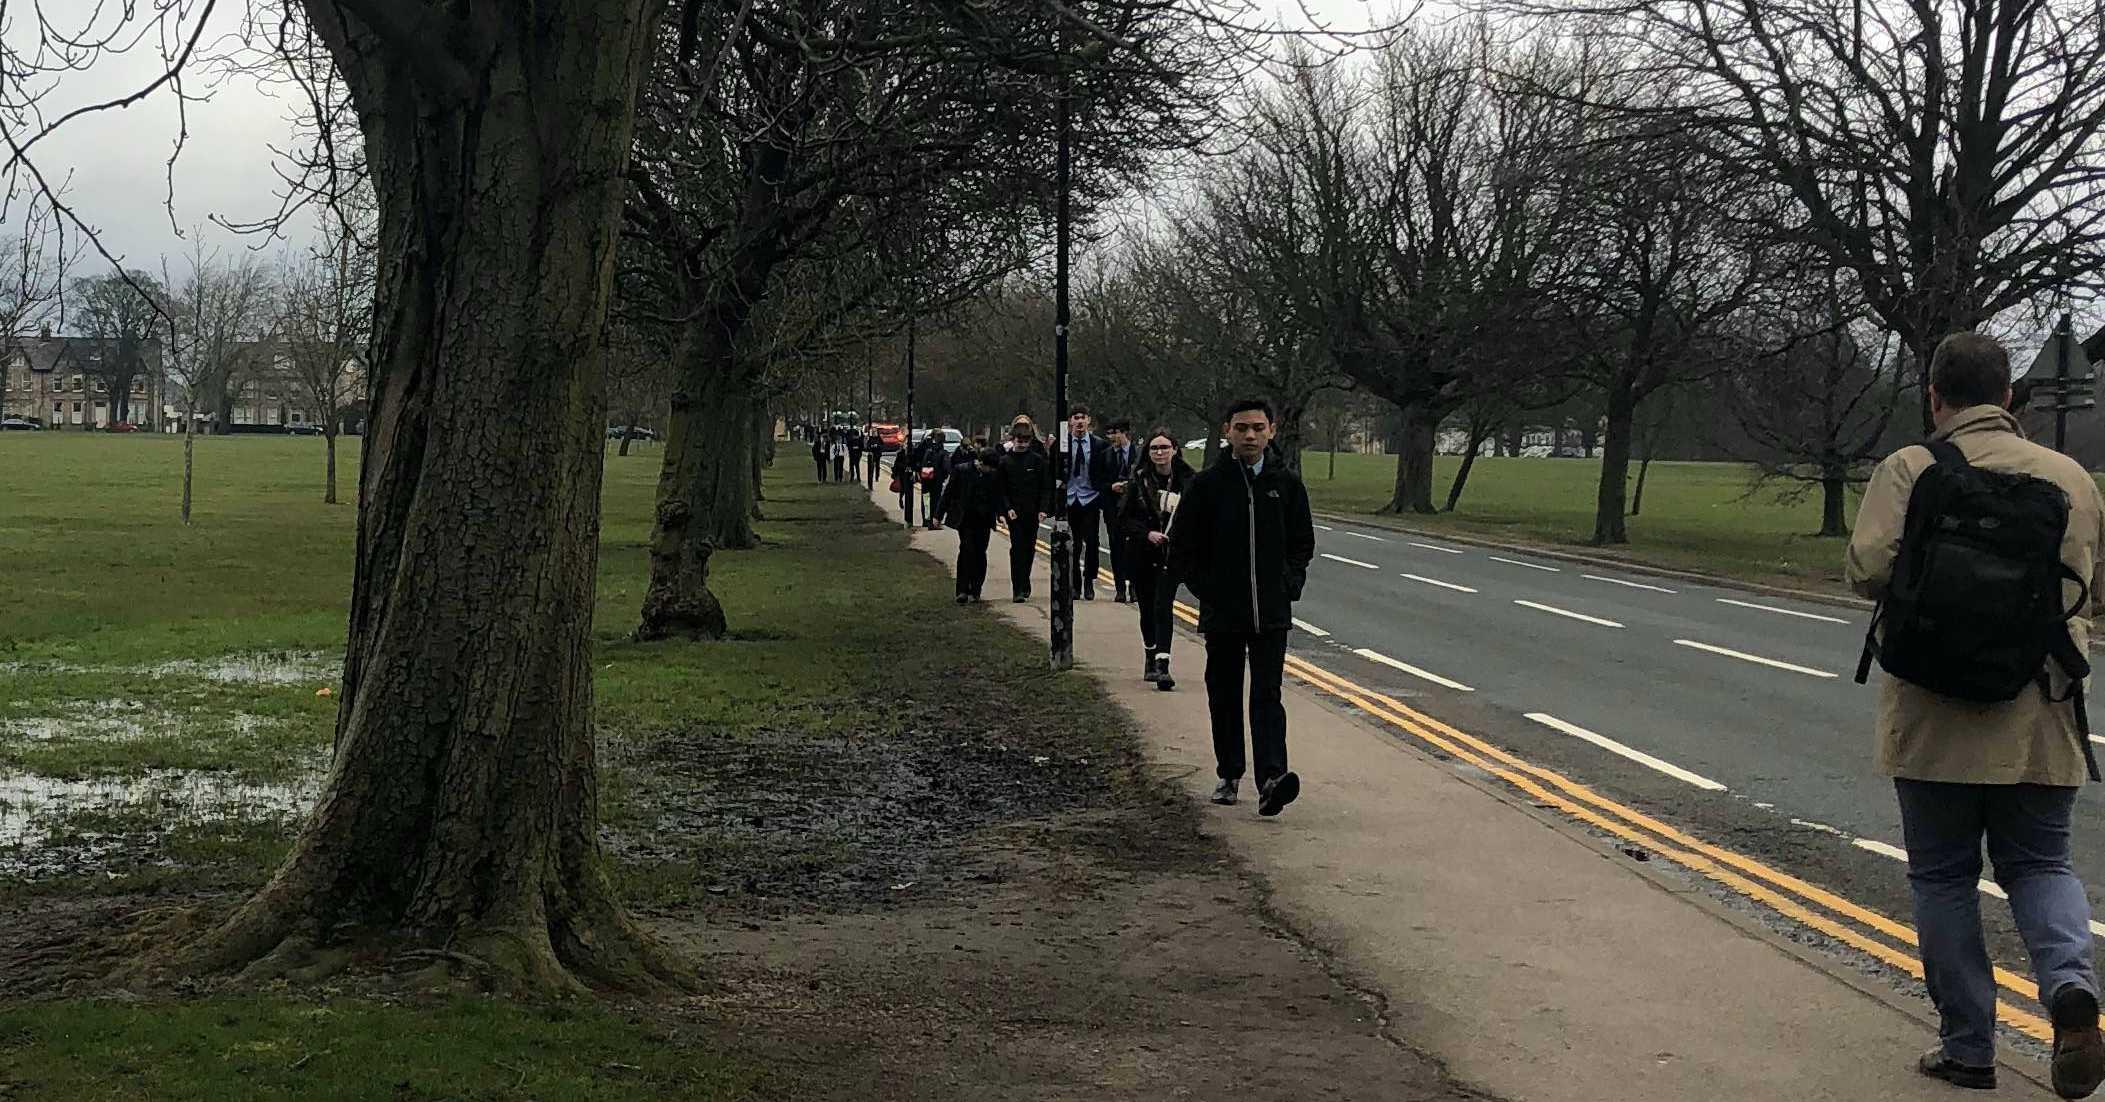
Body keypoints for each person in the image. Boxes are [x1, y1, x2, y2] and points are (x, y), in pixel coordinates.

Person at [1846, 332, 2105, 1099]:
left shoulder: (1908, 469)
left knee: (1942, 877)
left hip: (1930, 712)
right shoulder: (2071, 479)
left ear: (1935, 395)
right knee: (2039, 863)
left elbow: (1867, 571)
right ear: (2010, 397)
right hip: (2038, 705)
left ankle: (1968, 1049)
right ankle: (2067, 990)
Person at [1168, 397, 1315, 818]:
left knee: (1268, 695)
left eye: (1257, 428)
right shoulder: (1208, 485)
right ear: (1226, 431)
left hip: (1270, 612)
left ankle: (1271, 779)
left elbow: (1301, 542)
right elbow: (1184, 547)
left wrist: (1291, 582)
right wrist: (1206, 590)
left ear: (1272, 430)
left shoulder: (1286, 485)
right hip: (1223, 612)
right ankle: (1229, 773)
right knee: (1225, 693)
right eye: (1241, 428)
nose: (1249, 435)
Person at [1120, 427, 1196, 690]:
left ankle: (1163, 664)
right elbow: (1124, 520)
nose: (1160, 452)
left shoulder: (1189, 481)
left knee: (1163, 606)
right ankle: (1150, 653)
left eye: (1164, 447)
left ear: (1175, 449)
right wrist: (1147, 533)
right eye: (1154, 448)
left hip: (1171, 557)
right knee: (1147, 609)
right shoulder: (1139, 481)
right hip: (1142, 554)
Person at [995, 419, 1052, 603]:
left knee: (1029, 549)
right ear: (1014, 439)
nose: (1022, 443)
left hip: (1032, 512)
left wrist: (1043, 509)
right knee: (1017, 549)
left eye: (1026, 440)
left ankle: (1024, 581)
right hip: (1014, 513)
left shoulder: (1037, 461)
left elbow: (1045, 487)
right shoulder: (1004, 462)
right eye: (1019, 440)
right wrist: (1006, 509)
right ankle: (1017, 588)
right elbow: (1000, 489)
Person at [939, 446, 1004, 603]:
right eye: (988, 467)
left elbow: (997, 496)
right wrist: (937, 515)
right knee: (966, 550)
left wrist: (1000, 513)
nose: (989, 471)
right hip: (966, 518)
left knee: (980, 553)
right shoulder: (961, 471)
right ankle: (962, 590)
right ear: (980, 462)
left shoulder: (993, 475)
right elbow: (948, 493)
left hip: (984, 519)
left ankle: (976, 589)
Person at [1063, 405, 1115, 600]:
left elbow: (1104, 471)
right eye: (1075, 418)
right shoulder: (1063, 444)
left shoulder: (1099, 445)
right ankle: (1075, 583)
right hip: (1070, 497)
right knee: (1073, 544)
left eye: (1082, 418)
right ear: (1070, 422)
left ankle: (1088, 581)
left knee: (1091, 543)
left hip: (1090, 497)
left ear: (1088, 421)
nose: (1079, 422)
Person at [1103, 419, 1138, 603]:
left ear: (1125, 433)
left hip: (1133, 509)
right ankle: (1119, 589)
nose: (1111, 437)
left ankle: (1134, 587)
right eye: (1109, 433)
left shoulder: (1137, 454)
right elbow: (1100, 481)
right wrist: (1111, 487)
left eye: (1115, 433)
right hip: (1113, 509)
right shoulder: (1106, 455)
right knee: (1116, 548)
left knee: (1133, 548)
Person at [916, 429, 950, 530]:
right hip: (936, 478)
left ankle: (926, 520)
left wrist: (918, 471)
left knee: (926, 499)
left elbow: (917, 456)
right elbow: (945, 466)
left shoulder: (925, 444)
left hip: (926, 475)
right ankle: (933, 522)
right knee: (935, 500)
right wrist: (945, 475)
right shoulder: (941, 449)